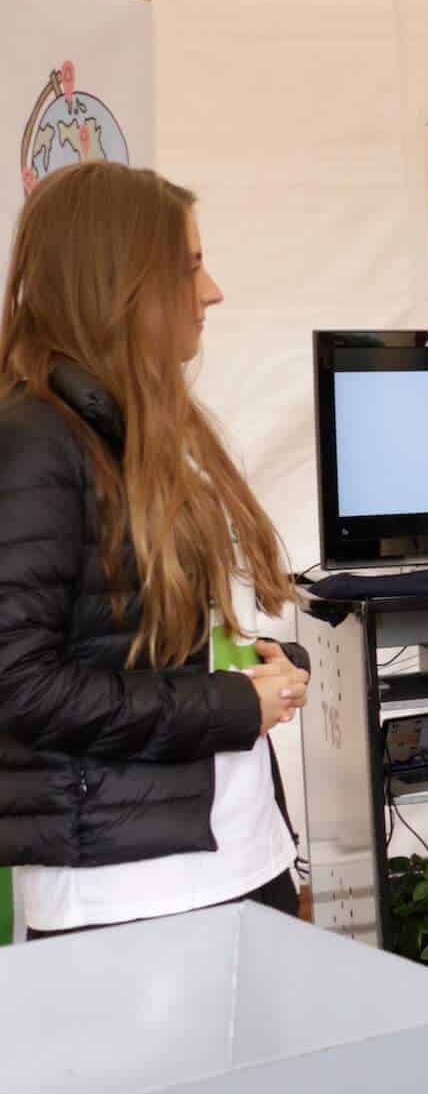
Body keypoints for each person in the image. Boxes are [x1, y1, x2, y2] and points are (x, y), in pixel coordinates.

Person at [0, 164, 310, 935]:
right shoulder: (35, 442)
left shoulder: (127, 427)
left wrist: (256, 664)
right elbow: (22, 685)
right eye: (190, 267)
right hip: (132, 896)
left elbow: (135, 642)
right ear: (121, 284)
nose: (212, 292)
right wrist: (232, 704)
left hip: (230, 860)